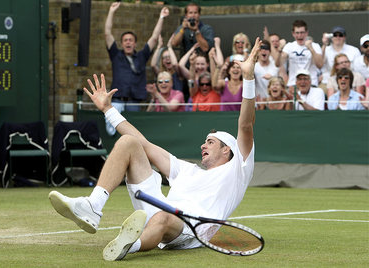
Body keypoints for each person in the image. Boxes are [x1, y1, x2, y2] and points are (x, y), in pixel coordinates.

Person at [48, 37, 262, 261]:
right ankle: (93, 205)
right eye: (205, 141)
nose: (203, 144)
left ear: (227, 150)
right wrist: (108, 109)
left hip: (188, 228)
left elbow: (246, 125)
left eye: (210, 142)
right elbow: (144, 143)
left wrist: (248, 78)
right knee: (130, 143)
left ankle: (129, 245)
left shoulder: (238, 171)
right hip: (159, 207)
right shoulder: (187, 170)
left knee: (162, 218)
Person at [104, 2, 169, 135]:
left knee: (132, 133)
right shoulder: (116, 55)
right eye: (125, 40)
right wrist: (111, 12)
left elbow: (154, 38)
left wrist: (161, 17)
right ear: (122, 44)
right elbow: (107, 34)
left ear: (134, 43)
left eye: (131, 40)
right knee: (111, 132)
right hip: (117, 100)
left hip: (134, 102)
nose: (128, 42)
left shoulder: (141, 56)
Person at [277, 20, 323, 89]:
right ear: (293, 33)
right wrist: (279, 49)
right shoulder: (289, 46)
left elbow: (320, 65)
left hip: (311, 84)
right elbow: (278, 64)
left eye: (302, 33)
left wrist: (311, 49)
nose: (299, 35)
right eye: (297, 33)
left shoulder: (315, 46)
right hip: (293, 84)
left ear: (307, 33)